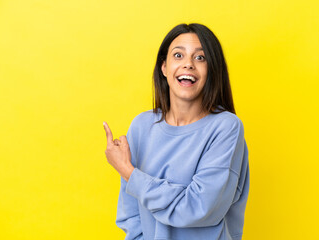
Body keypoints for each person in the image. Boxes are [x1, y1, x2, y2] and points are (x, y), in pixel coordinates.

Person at [103, 23, 249, 240]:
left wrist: (129, 173)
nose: (188, 64)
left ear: (212, 70)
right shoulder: (141, 127)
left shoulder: (226, 128)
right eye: (178, 55)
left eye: (200, 58)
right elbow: (130, 215)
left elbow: (198, 208)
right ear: (164, 67)